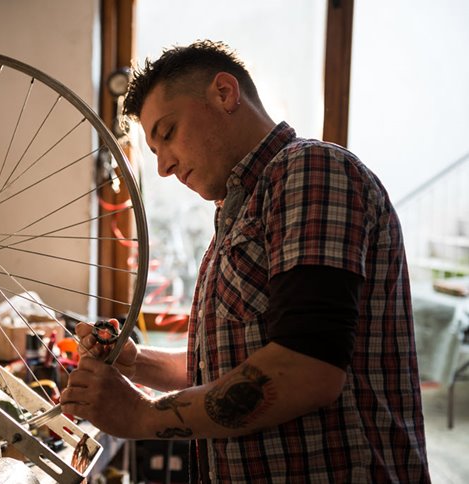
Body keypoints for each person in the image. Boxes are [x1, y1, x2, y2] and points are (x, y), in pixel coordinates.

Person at [60, 40, 431, 482]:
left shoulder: (310, 170)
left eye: (168, 133)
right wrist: (137, 362)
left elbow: (305, 369)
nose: (163, 167)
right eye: (154, 152)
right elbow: (230, 366)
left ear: (224, 93)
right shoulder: (241, 207)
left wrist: (141, 415)